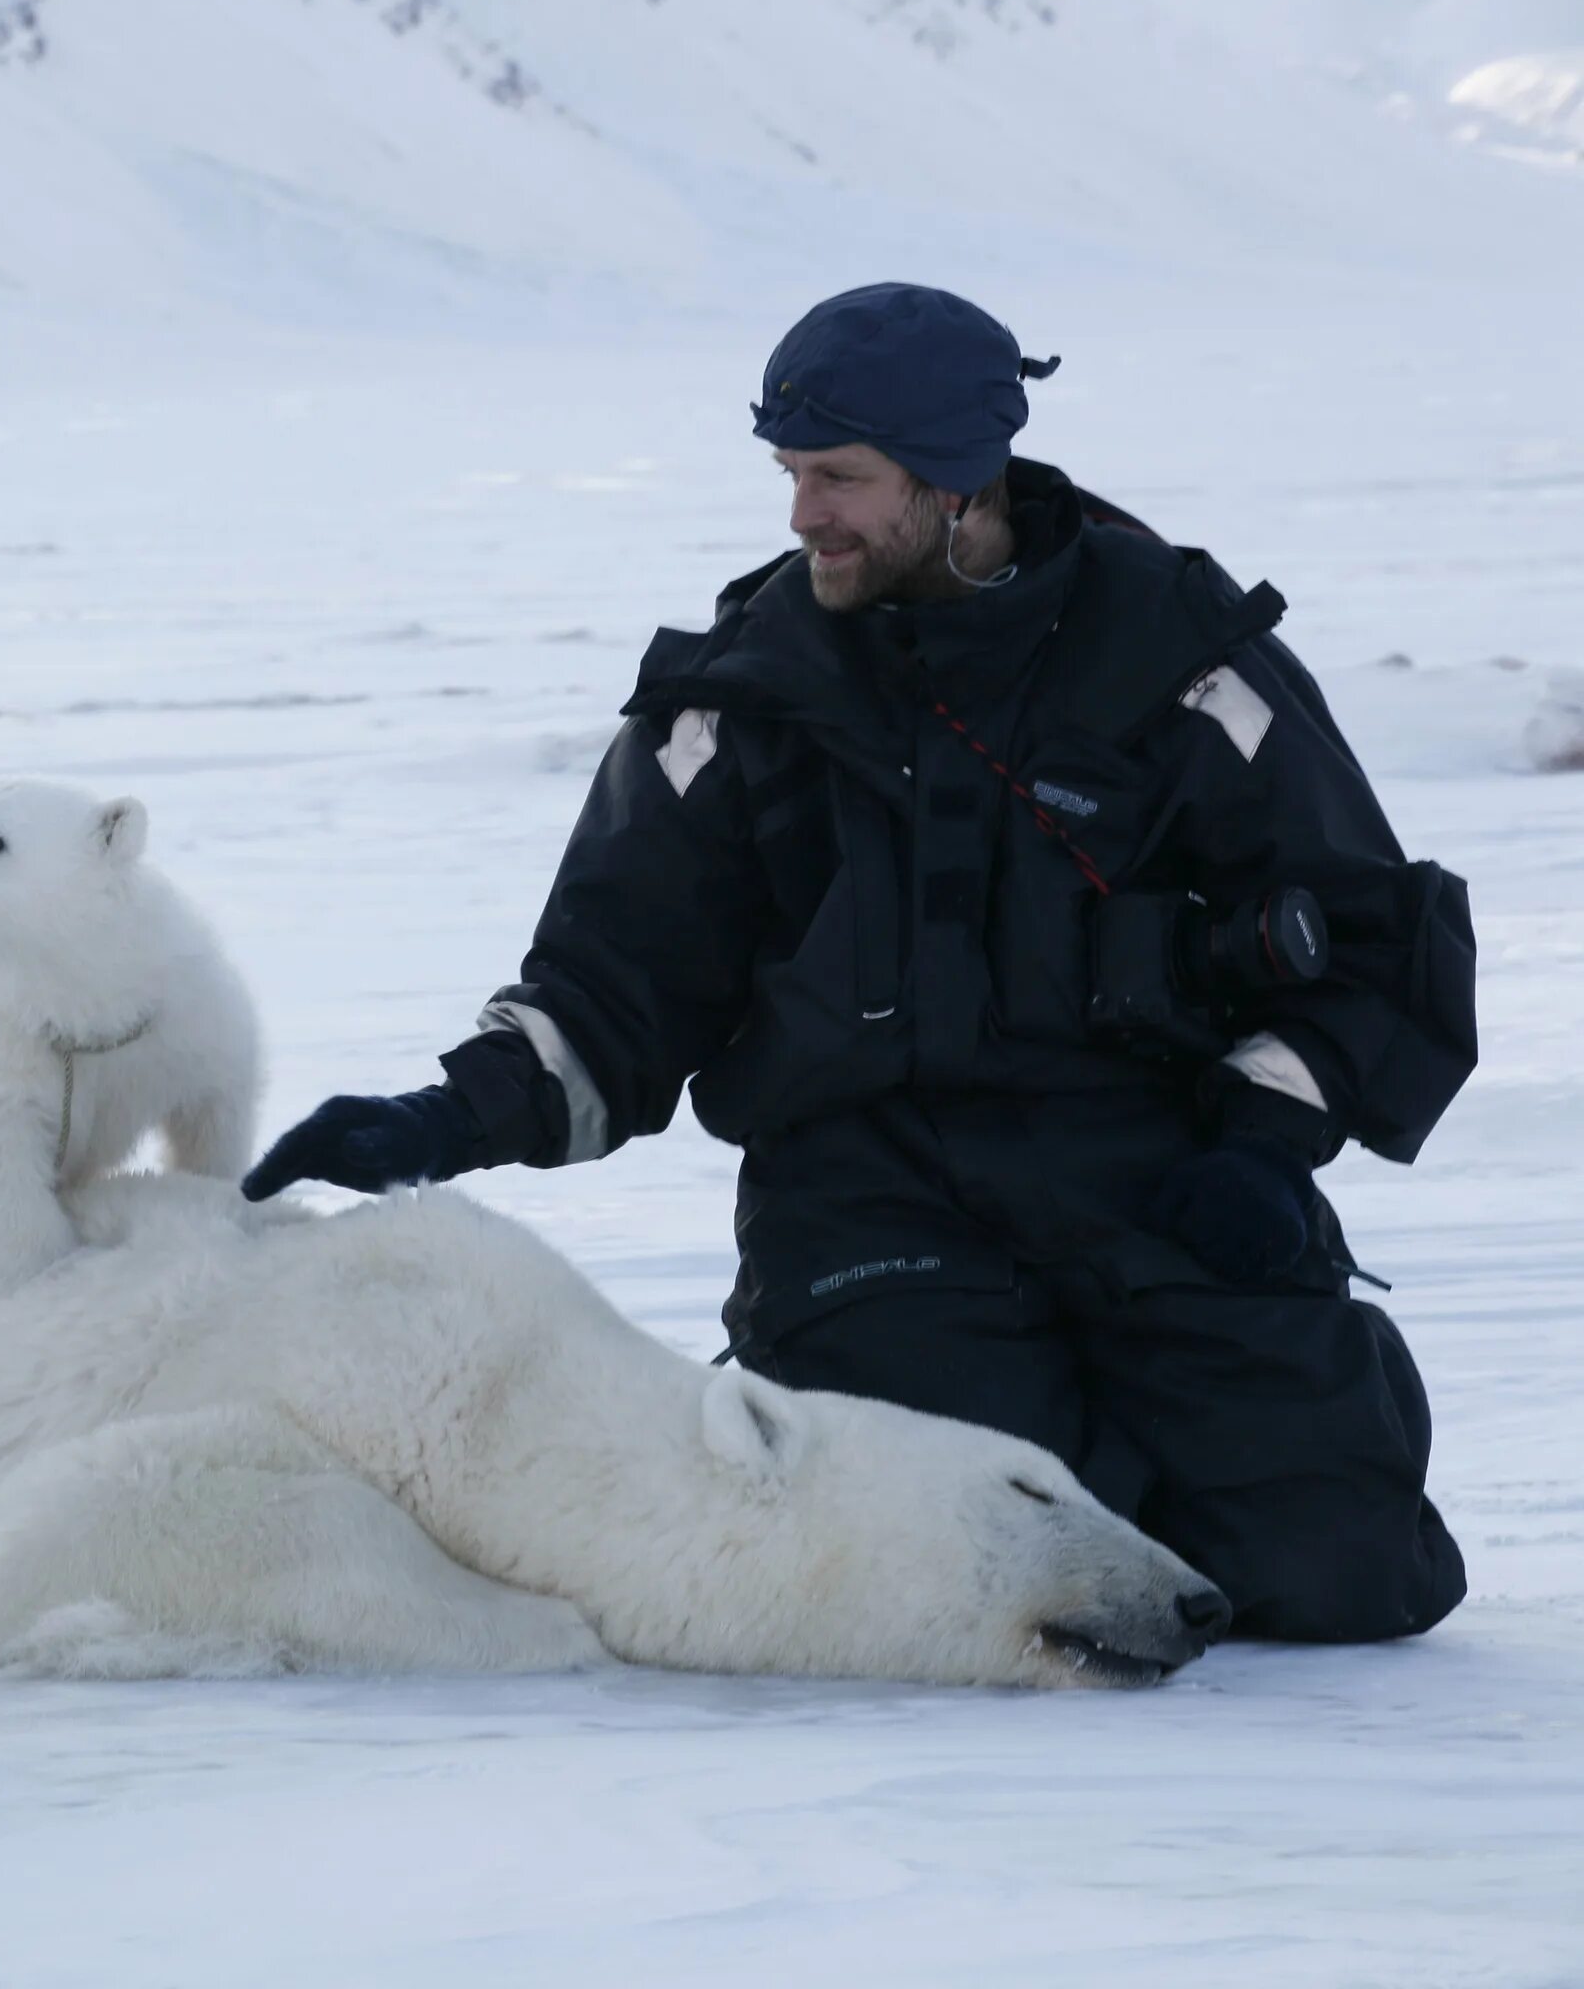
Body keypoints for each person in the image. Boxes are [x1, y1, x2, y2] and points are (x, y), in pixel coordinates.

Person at [244, 285, 1475, 1646]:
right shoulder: (741, 692)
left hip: (1159, 1177)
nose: (801, 516)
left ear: (957, 479)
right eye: (787, 474)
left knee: (1342, 1581)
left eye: (838, 477)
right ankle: (973, 1421)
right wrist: (444, 1117)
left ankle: (1198, 1422)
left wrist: (1261, 1148)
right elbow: (615, 981)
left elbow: (1369, 934)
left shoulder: (1176, 657)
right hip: (870, 1202)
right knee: (959, 1571)